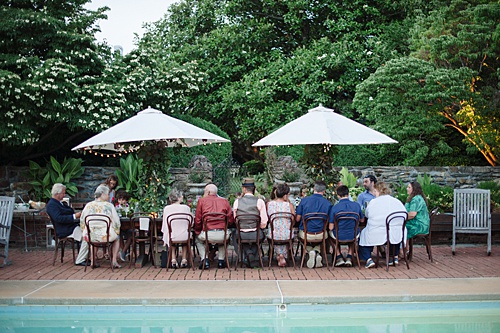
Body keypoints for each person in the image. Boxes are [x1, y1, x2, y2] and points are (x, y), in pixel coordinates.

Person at [358, 182, 406, 269]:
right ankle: (394, 256)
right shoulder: (396, 201)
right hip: (395, 230)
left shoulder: (373, 202)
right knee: (394, 233)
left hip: (377, 231)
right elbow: (404, 214)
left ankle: (368, 259)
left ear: (377, 191)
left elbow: (367, 214)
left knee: (364, 234)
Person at [46, 183, 88, 266]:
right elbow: (58, 218)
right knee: (87, 237)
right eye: (63, 193)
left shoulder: (60, 203)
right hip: (65, 229)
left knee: (88, 234)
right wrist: (74, 216)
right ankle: (80, 259)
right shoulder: (52, 205)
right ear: (57, 194)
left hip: (71, 226)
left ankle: (84, 256)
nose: (64, 194)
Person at [80, 184, 121, 268]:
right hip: (106, 235)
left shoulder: (88, 205)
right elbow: (116, 221)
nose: (109, 196)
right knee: (117, 238)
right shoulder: (109, 206)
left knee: (93, 238)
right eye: (108, 194)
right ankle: (114, 261)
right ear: (103, 194)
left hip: (90, 235)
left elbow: (82, 220)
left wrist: (84, 230)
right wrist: (116, 230)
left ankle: (93, 260)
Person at [194, 183, 234, 269]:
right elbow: (230, 219)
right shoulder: (224, 201)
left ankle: (204, 259)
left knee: (198, 239)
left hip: (207, 233)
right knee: (224, 240)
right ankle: (221, 261)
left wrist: (197, 231)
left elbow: (198, 220)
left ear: (208, 192)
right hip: (222, 233)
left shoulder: (201, 201)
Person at [295, 180, 333, 269]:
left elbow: (298, 219)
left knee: (300, 237)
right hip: (321, 234)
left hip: (306, 234)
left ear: (314, 189)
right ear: (324, 191)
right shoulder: (328, 203)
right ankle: (317, 252)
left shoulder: (304, 201)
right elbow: (329, 220)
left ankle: (310, 251)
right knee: (325, 237)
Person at [233, 178, 268, 268]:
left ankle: (245, 257)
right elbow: (264, 224)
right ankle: (253, 256)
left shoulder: (237, 202)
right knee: (260, 236)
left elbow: (236, 220)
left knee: (234, 236)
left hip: (241, 234)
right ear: (254, 189)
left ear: (244, 189)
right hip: (255, 233)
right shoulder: (260, 202)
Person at [329, 185, 363, 267]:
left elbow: (331, 227)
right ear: (348, 194)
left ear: (338, 195)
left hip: (338, 235)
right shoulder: (356, 206)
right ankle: (349, 256)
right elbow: (362, 220)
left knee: (328, 234)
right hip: (353, 234)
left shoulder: (335, 208)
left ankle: (338, 255)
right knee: (353, 234)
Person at [162, 189, 192, 269]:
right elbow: (190, 223)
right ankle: (184, 259)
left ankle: (173, 259)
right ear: (178, 198)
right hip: (185, 236)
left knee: (171, 235)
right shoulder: (186, 208)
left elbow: (165, 224)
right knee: (185, 234)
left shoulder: (167, 208)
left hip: (172, 236)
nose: (182, 197)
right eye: (181, 196)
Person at [267, 183, 295, 267]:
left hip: (273, 234)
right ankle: (283, 255)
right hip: (287, 235)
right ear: (285, 195)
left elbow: (268, 218)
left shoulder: (269, 204)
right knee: (287, 235)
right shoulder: (289, 206)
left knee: (274, 234)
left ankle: (279, 255)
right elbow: (293, 220)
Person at [405, 181, 430, 251]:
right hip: (417, 223)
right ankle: (403, 250)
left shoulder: (416, 199)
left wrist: (401, 218)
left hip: (420, 226)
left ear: (414, 189)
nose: (407, 189)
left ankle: (403, 251)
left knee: (402, 228)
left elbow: (412, 214)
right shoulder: (416, 198)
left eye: (409, 187)